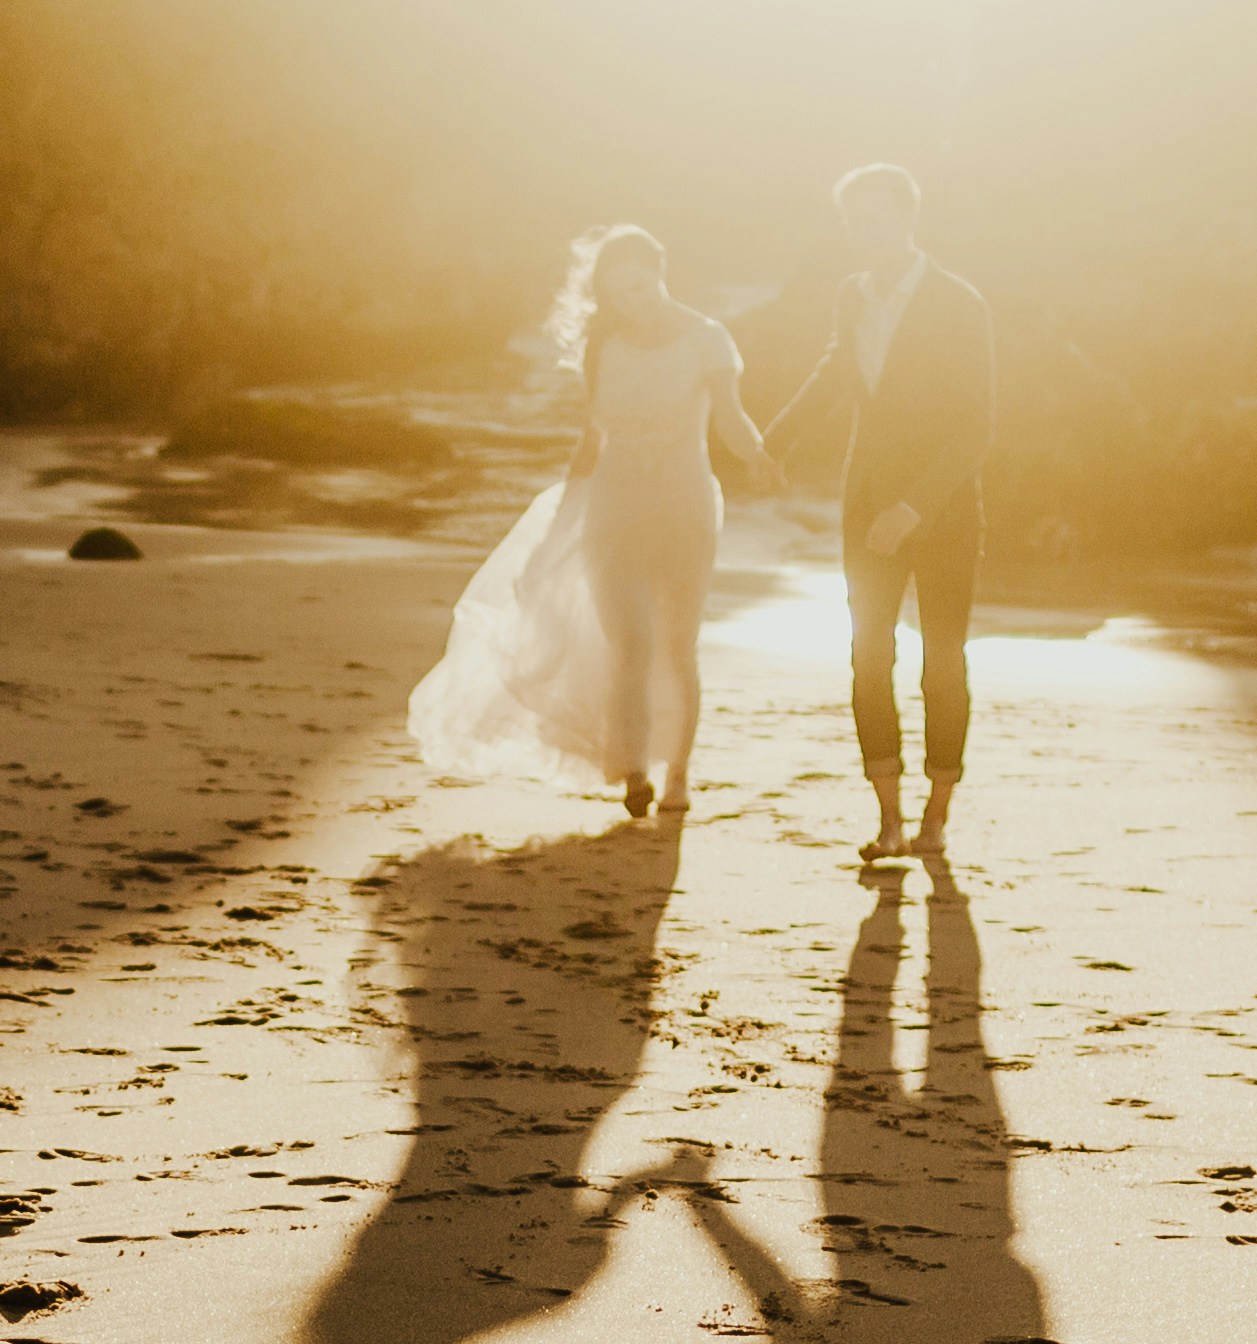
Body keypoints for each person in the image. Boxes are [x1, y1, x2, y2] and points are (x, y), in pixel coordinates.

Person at [408, 225, 774, 818]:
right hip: (614, 505)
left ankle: (678, 774)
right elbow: (592, 438)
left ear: (661, 270)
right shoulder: (605, 345)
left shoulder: (708, 338)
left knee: (677, 647)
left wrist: (758, 457)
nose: (635, 302)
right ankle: (634, 769)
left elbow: (730, 416)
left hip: (684, 507)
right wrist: (560, 522)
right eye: (620, 294)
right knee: (630, 643)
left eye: (642, 286)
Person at [756, 163, 993, 866]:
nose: (864, 234)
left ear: (908, 217)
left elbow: (974, 427)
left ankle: (935, 817)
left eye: (876, 219)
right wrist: (775, 442)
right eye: (853, 222)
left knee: (942, 665)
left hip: (944, 511)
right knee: (868, 658)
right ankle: (888, 820)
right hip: (864, 504)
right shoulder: (852, 295)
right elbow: (837, 369)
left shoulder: (958, 303)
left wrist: (912, 507)